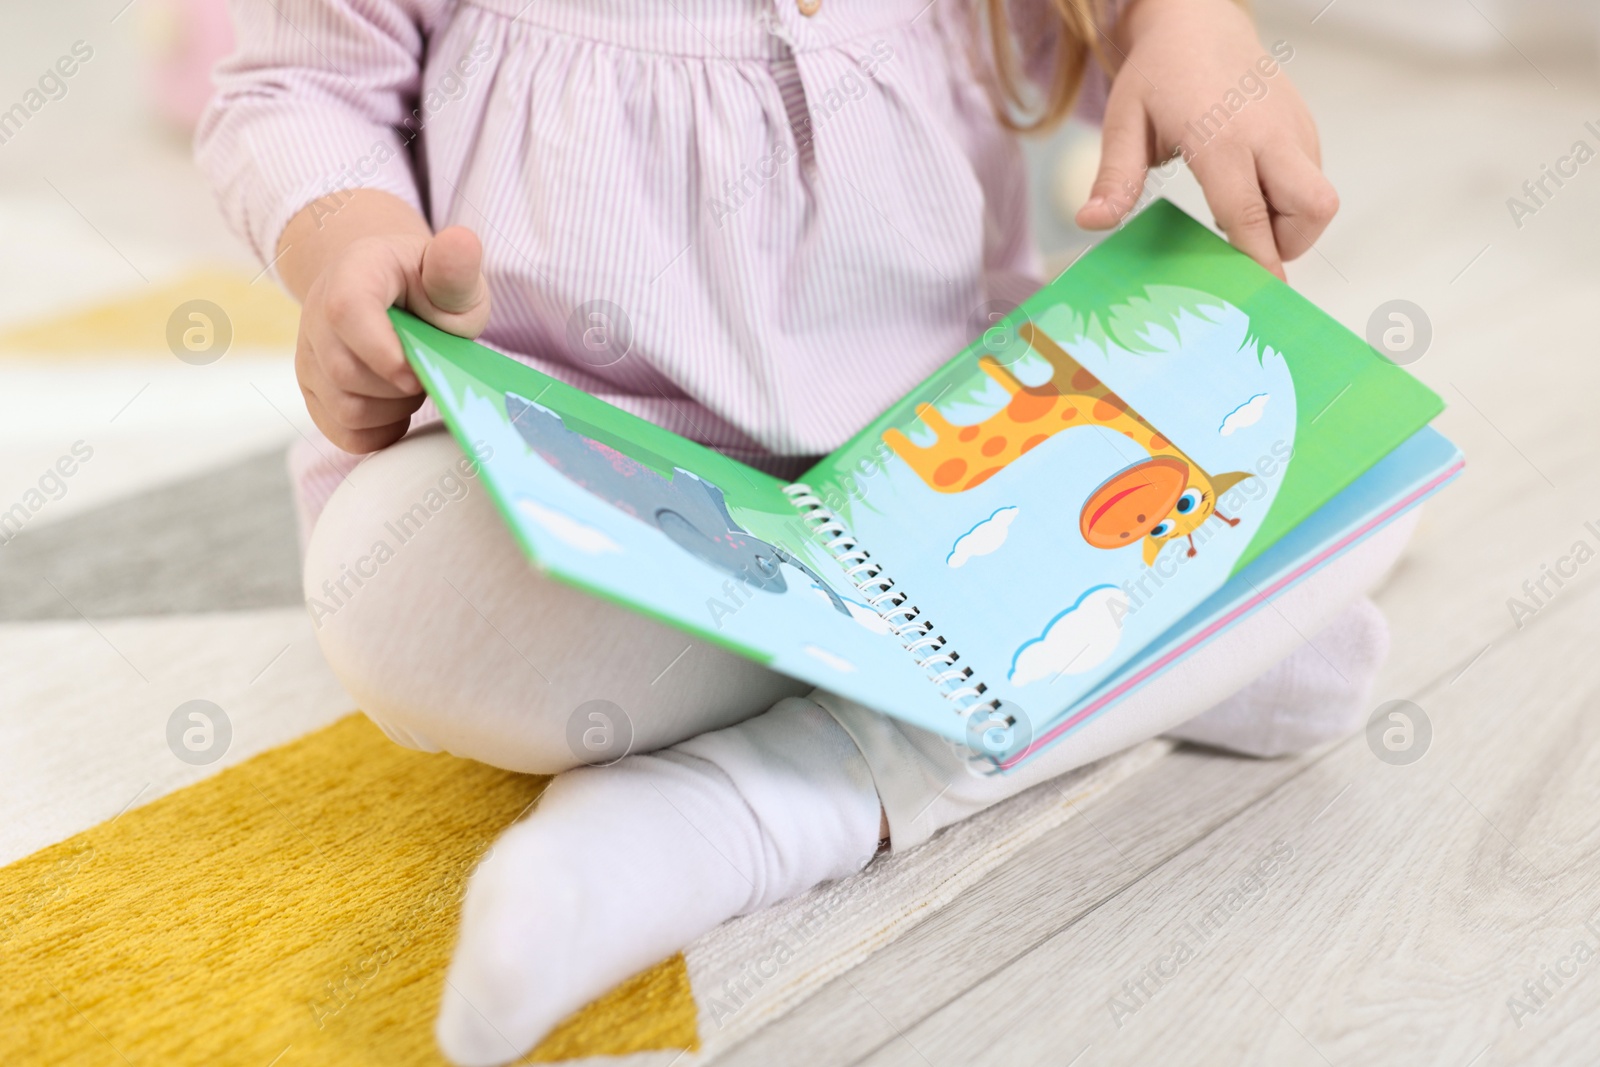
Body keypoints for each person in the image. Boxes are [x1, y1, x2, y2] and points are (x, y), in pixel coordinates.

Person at [196, 1, 1393, 1063]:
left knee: (1345, 443)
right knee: (403, 598)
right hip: (593, 470)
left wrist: (1195, 32)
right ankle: (1096, 666)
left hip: (947, 471)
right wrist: (348, 245)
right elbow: (298, 89)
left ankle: (768, 801)